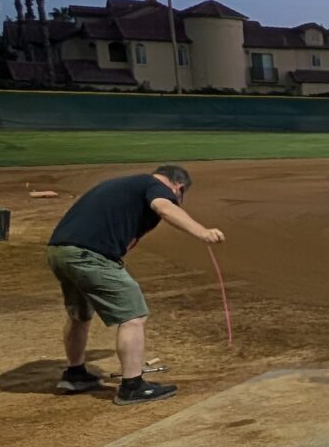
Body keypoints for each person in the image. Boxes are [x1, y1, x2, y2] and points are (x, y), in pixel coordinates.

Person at [46, 164, 224, 403]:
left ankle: (75, 374)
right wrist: (202, 232)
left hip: (60, 252)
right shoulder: (156, 186)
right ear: (178, 187)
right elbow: (164, 207)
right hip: (89, 256)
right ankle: (132, 386)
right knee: (133, 316)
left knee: (80, 315)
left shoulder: (123, 185)